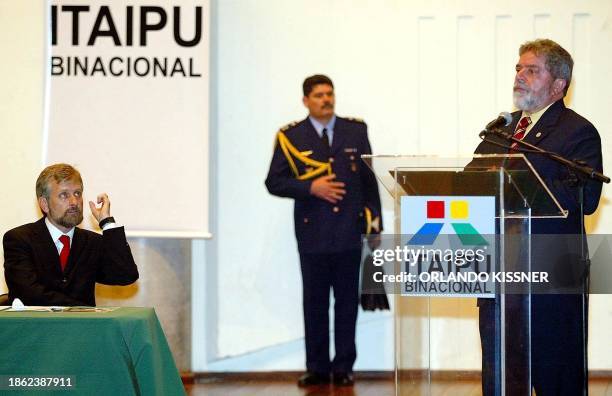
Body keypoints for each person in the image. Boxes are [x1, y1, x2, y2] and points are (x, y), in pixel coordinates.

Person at [474, 39, 603, 395]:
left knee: (555, 373)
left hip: (550, 272)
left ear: (559, 85)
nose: (520, 76)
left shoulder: (577, 131)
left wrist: (519, 188)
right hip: (499, 267)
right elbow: (470, 181)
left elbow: (587, 197)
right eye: (518, 68)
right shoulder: (500, 129)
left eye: (532, 70)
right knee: (502, 371)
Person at [265, 75, 382, 387]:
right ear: (306, 100)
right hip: (312, 234)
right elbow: (273, 182)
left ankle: (343, 367)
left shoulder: (356, 130)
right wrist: (310, 187)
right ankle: (317, 368)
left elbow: (369, 179)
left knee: (346, 303)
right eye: (318, 95)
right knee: (314, 303)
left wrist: (375, 224)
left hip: (349, 230)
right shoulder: (291, 136)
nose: (326, 100)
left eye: (330, 94)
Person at [3, 163, 139, 306]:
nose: (74, 202)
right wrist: (82, 310)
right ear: (44, 204)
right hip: (37, 327)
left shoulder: (92, 242)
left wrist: (107, 223)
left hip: (82, 328)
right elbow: (28, 293)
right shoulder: (19, 240)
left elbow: (126, 275)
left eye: (77, 193)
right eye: (64, 195)